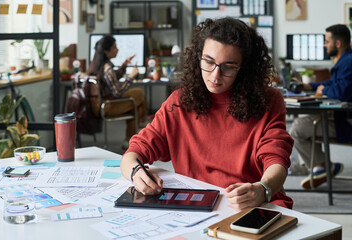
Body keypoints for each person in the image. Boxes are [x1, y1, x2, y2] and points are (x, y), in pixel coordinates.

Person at [121, 17, 294, 211]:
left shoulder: (269, 100)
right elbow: (133, 153)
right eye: (209, 62)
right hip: (200, 207)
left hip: (254, 205)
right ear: (198, 58)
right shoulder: (180, 102)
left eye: (228, 66)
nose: (215, 75)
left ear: (244, 68)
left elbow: (277, 161)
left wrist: (263, 188)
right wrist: (136, 172)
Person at [289, 24, 352, 189]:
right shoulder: (346, 60)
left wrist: (324, 89)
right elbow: (333, 83)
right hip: (340, 117)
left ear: (338, 44)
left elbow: (341, 92)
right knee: (308, 122)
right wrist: (311, 86)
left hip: (345, 122)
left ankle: (323, 166)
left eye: (327, 41)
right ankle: (323, 166)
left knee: (296, 130)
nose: (325, 45)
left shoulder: (348, 62)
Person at [87, 35, 148, 149]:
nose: (117, 49)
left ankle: (131, 136)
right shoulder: (107, 68)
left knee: (136, 104)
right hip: (107, 105)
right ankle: (142, 121)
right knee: (138, 94)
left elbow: (112, 80)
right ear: (106, 51)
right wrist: (130, 78)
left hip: (100, 104)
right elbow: (117, 93)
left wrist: (124, 65)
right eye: (114, 47)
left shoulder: (97, 65)